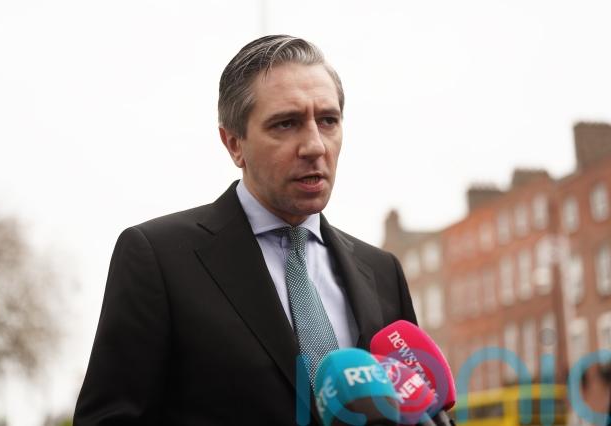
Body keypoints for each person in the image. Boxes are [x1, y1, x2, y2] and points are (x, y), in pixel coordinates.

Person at [73, 34, 417, 425]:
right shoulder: (158, 259)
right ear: (234, 143)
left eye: (328, 120)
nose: (315, 146)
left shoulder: (383, 272)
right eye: (286, 124)